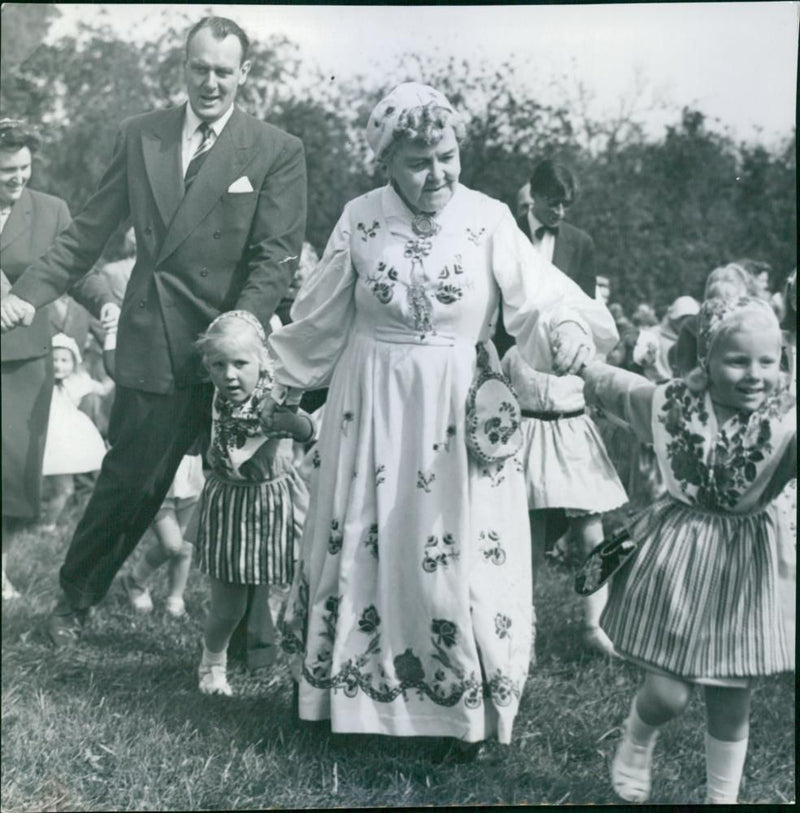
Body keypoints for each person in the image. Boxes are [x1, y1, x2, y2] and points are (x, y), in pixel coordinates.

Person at [267, 83, 617, 749]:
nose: (439, 174)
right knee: (369, 544)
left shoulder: (488, 218)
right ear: (386, 163)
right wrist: (268, 386)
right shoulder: (360, 218)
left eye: (448, 156)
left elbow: (540, 299)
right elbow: (317, 318)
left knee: (458, 551)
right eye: (419, 161)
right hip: (370, 404)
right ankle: (354, 702)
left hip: (459, 407)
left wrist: (568, 334)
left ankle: (464, 710)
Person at [0, 17, 307, 641]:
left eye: (225, 71)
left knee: (250, 482)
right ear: (183, 66)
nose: (211, 82)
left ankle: (255, 629)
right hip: (154, 342)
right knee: (131, 482)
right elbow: (86, 233)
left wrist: (241, 331)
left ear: (244, 74)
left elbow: (275, 255)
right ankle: (73, 600)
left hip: (234, 349)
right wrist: (27, 297)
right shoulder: (142, 135)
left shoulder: (277, 149)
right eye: (200, 68)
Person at [579, 296, 795, 803]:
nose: (754, 375)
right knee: (666, 693)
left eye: (768, 361)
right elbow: (621, 388)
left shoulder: (785, 423)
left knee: (730, 699)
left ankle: (722, 799)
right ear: (706, 360)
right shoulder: (674, 403)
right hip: (678, 556)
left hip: (747, 566)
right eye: (737, 360)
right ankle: (638, 733)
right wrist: (582, 364)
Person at [0, 119, 116, 600]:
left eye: (25, 167)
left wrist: (105, 302)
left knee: (10, 466)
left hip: (22, 359)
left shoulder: (50, 211)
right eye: (7, 169)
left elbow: (76, 267)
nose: (18, 178)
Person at [193, 311, 313, 695]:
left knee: (297, 586)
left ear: (263, 362)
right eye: (218, 364)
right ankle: (212, 664)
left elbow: (309, 426)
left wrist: (294, 424)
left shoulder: (274, 397)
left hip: (276, 501)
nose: (229, 375)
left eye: (240, 364)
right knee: (228, 604)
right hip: (230, 504)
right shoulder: (219, 394)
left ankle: (308, 663)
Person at [501, 346, 627, 656]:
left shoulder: (581, 346)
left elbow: (603, 392)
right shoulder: (516, 353)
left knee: (593, 538)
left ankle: (595, 624)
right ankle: (522, 627)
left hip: (573, 437)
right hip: (528, 438)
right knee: (528, 544)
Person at [495, 161, 597, 359]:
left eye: (565, 204)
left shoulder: (581, 243)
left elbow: (587, 307)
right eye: (553, 203)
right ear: (534, 194)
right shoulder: (505, 233)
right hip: (507, 352)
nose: (560, 212)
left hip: (559, 358)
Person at [122, 452, 204, 618]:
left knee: (186, 546)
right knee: (172, 545)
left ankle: (175, 597)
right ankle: (135, 579)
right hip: (158, 474)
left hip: (191, 470)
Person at [40, 333, 108, 529]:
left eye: (64, 360)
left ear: (74, 362)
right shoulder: (42, 382)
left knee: (68, 487)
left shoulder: (79, 381)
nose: (59, 365)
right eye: (54, 359)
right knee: (60, 487)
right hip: (49, 437)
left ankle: (48, 524)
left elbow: (102, 389)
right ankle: (45, 523)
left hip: (70, 436)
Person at [633, 295, 700, 383]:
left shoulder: (695, 339)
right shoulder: (653, 335)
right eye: (682, 318)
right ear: (673, 318)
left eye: (689, 318)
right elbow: (649, 367)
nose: (685, 322)